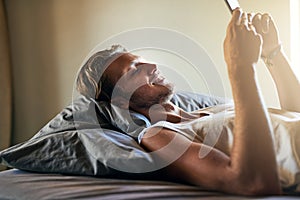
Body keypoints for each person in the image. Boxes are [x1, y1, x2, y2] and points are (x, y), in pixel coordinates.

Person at [76, 9, 300, 196]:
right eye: (134, 70)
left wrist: (273, 54)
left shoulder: (214, 110)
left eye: (143, 61)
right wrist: (240, 68)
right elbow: (252, 183)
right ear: (119, 99)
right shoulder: (158, 135)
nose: (152, 66)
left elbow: (292, 117)